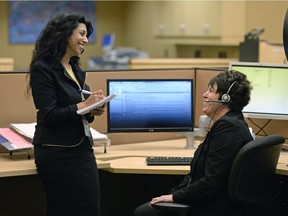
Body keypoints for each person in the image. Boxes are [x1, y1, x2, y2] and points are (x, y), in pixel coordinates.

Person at [133, 70, 254, 216]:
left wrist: (174, 197)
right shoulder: (231, 123)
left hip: (212, 206)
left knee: (143, 213)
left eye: (211, 90)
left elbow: (211, 182)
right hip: (211, 200)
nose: (204, 94)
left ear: (225, 98)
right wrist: (174, 193)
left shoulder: (228, 129)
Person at [26, 14, 104, 216]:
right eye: (82, 33)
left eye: (87, 35)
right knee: (64, 210)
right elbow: (50, 114)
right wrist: (83, 105)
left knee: (90, 209)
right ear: (65, 34)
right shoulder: (43, 69)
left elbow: (80, 110)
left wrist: (92, 109)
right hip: (57, 152)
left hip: (82, 149)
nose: (86, 40)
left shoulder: (75, 69)